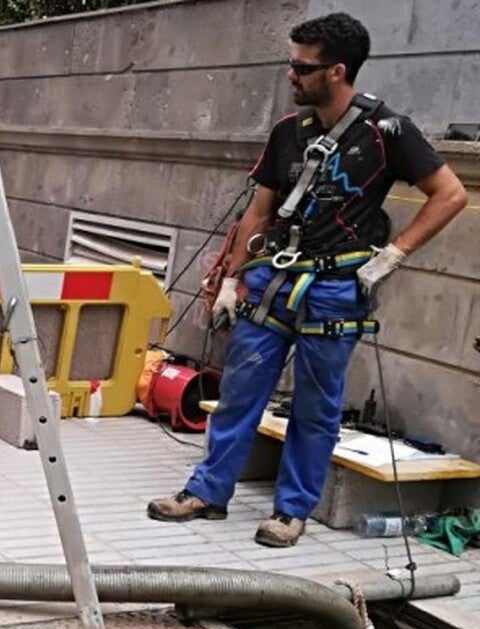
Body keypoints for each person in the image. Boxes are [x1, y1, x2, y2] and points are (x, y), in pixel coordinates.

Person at [147, 13, 466, 546]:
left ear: (337, 71)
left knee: (316, 407)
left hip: (336, 289)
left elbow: (450, 193)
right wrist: (231, 280)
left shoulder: (388, 132)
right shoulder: (287, 134)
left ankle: (291, 510)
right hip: (273, 280)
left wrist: (392, 255)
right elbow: (258, 212)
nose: (290, 75)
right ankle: (207, 491)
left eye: (301, 66)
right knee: (239, 392)